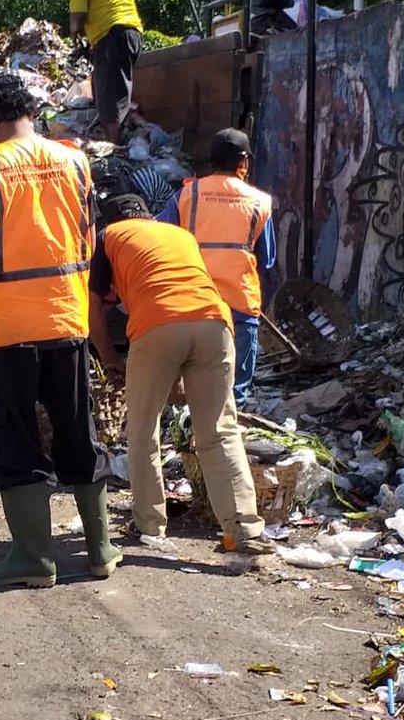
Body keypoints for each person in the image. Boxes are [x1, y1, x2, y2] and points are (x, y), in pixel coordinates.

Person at [0, 69, 118, 588]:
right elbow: (89, 238)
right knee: (76, 430)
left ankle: (33, 559)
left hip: (4, 326)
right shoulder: (75, 160)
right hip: (66, 318)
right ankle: (100, 551)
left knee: (12, 437)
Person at [87, 194, 273, 554]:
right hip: (215, 325)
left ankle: (149, 524)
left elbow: (94, 310)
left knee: (142, 431)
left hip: (157, 324)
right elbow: (182, 296)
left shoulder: (108, 237)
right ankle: (245, 530)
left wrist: (109, 359)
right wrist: (177, 379)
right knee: (219, 431)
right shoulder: (178, 235)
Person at [157, 128, 275, 408]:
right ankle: (231, 446)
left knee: (192, 391)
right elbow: (267, 259)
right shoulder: (259, 201)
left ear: (210, 160)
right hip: (240, 307)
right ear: (243, 162)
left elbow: (159, 237)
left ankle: (192, 444)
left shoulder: (187, 194)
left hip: (193, 305)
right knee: (234, 396)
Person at [69, 0, 142, 144]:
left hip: (113, 36)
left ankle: (113, 152)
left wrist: (75, 39)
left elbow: (77, 19)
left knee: (109, 100)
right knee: (115, 92)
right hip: (133, 35)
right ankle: (122, 138)